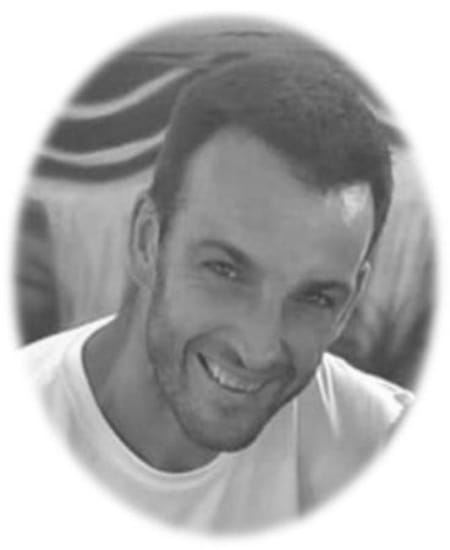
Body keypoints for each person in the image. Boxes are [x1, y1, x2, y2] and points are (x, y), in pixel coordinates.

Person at [22, 56, 413, 532]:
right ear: (148, 241)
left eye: (315, 298)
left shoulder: (390, 453)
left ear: (349, 304)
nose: (258, 349)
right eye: (226, 271)